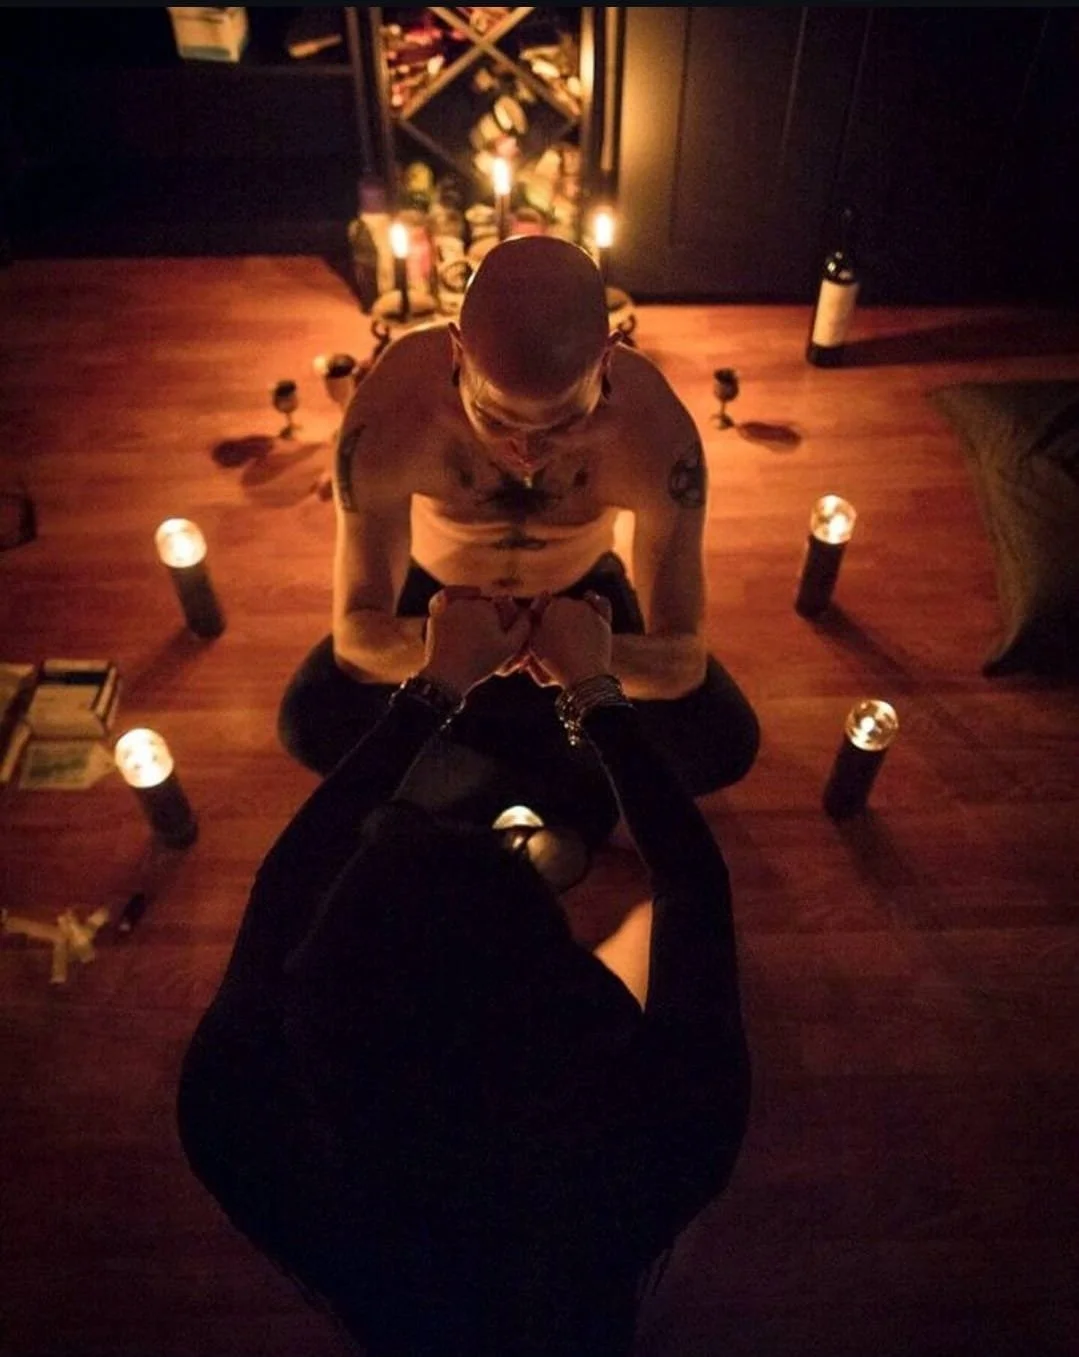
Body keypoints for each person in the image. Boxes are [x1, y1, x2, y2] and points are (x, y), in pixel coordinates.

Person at [178, 587, 751, 1357]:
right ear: (558, 984)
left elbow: (287, 881)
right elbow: (692, 880)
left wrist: (435, 684)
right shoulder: (664, 1138)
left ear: (317, 976)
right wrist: (590, 688)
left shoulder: (237, 1121)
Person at [278, 234, 760, 855]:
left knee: (724, 739)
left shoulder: (655, 432)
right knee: (309, 721)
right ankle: (560, 785)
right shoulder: (393, 410)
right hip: (443, 604)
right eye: (498, 420)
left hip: (580, 598)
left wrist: (587, 661)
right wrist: (452, 656)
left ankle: (472, 789)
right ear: (458, 353)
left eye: (564, 423)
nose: (527, 453)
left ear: (607, 358)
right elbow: (356, 639)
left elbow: (682, 658)